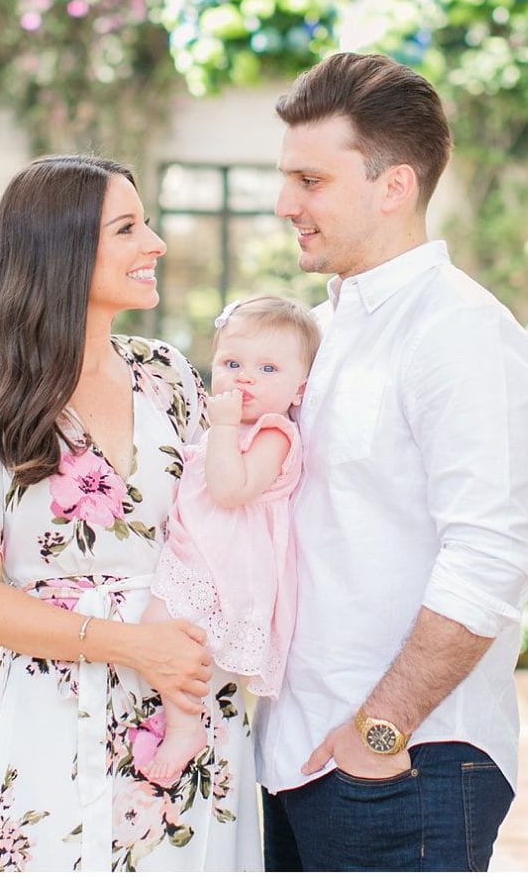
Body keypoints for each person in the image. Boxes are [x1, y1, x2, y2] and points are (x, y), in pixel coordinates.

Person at [0, 155, 260, 873]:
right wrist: (131, 646)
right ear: (63, 251)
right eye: (128, 228)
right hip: (58, 721)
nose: (155, 244)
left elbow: (231, 528)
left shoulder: (168, 377)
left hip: (192, 714)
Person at [257, 52, 528, 872]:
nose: (286, 204)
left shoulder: (461, 335)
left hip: (405, 764)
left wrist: (378, 731)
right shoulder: (333, 328)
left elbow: (490, 556)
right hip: (300, 759)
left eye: (310, 181)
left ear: (393, 187)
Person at [139, 294, 319, 784]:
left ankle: (184, 728)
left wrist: (219, 428)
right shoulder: (224, 428)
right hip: (197, 553)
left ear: (298, 390)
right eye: (232, 363)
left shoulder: (273, 434)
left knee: (165, 634)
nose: (244, 378)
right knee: (165, 637)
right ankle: (183, 722)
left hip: (228, 567)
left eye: (267, 369)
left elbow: (230, 488)